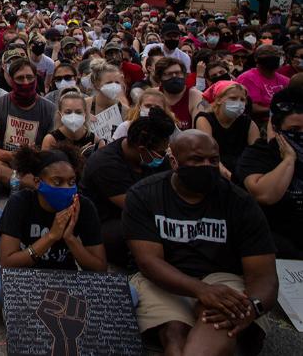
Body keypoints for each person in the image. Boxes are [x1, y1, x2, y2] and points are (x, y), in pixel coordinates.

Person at [124, 130, 278, 355]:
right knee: (174, 336)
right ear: (174, 162)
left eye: (213, 160)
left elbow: (263, 274)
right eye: (196, 160)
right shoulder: (144, 195)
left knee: (216, 327)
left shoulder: (240, 202)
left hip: (224, 277)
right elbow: (149, 262)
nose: (207, 166)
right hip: (165, 278)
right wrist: (200, 289)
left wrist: (252, 307)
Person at [0, 143, 109, 305]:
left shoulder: (84, 207)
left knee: (129, 294)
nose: (67, 188)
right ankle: (55, 304)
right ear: (38, 182)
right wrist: (51, 236)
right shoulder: (20, 202)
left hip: (66, 281)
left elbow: (100, 269)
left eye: (71, 182)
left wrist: (70, 238)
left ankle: (39, 303)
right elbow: (8, 264)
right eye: (57, 182)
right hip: (27, 279)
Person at [81, 108, 174, 267]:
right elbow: (135, 206)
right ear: (142, 149)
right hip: (106, 223)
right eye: (160, 152)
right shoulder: (105, 164)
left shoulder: (156, 158)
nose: (163, 156)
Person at [237, 86, 303, 259]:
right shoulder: (258, 154)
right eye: (295, 130)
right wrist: (289, 160)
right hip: (274, 245)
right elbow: (265, 195)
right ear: (277, 128)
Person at [0, 58, 55, 184]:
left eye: (29, 77)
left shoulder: (50, 109)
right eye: (20, 78)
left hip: (37, 163)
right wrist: (12, 155)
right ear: (11, 80)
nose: (26, 82)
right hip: (6, 163)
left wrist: (34, 155)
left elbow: (52, 150)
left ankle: (19, 183)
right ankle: (33, 185)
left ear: (36, 79)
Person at [194, 81, 259, 181]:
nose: (239, 103)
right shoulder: (204, 119)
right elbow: (209, 154)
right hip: (214, 171)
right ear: (219, 100)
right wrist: (231, 178)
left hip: (243, 173)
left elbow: (256, 155)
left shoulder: (249, 123)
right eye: (233, 98)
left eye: (242, 100)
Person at [236, 44, 289, 128]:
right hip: (260, 124)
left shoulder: (285, 80)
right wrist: (279, 110)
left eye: (276, 54)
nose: (273, 57)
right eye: (268, 54)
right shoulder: (247, 78)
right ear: (256, 59)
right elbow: (252, 108)